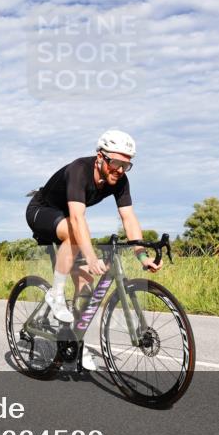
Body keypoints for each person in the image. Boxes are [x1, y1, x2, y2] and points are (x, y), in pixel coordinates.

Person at [25, 129, 159, 371]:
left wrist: (141, 255)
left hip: (67, 218)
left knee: (85, 285)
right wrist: (90, 256)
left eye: (126, 165)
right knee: (76, 232)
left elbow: (128, 218)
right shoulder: (79, 170)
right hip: (41, 211)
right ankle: (55, 294)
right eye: (115, 163)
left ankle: (77, 342)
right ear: (100, 157)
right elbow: (77, 219)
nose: (120, 170)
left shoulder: (120, 180)